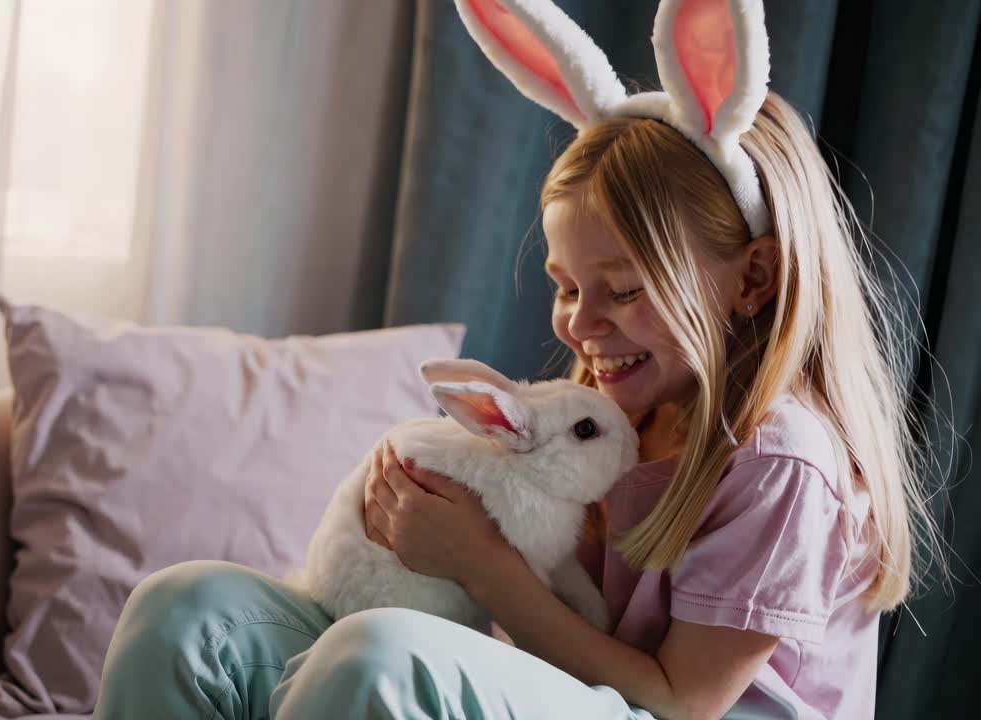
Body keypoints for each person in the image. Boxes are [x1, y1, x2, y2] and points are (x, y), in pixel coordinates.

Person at [93, 1, 942, 717]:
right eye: (566, 286)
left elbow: (680, 701)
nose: (581, 323)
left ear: (750, 278)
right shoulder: (618, 414)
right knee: (186, 607)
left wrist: (479, 563)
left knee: (381, 658)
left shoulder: (781, 461)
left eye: (623, 289)